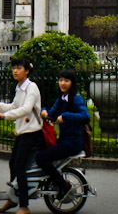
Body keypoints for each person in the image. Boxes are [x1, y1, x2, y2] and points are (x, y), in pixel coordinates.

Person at [0, 57, 43, 214]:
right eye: (14, 67)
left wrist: (4, 116)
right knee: (13, 164)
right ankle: (12, 199)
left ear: (27, 71)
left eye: (19, 68)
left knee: (19, 167)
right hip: (23, 132)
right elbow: (14, 106)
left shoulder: (31, 87)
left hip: (32, 133)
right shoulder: (20, 87)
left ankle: (23, 205)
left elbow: (27, 109)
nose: (15, 71)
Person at [36, 69, 89, 202]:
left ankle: (63, 186)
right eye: (60, 80)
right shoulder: (62, 99)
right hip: (64, 140)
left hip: (72, 143)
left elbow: (85, 115)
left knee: (42, 158)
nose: (63, 83)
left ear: (72, 83)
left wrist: (65, 116)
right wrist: (43, 111)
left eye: (66, 80)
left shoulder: (76, 99)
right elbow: (51, 113)